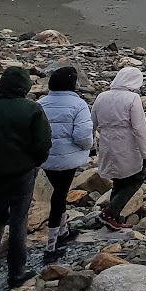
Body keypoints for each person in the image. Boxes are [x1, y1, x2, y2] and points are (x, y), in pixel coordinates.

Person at [0, 66, 52, 285]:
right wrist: (35, 163)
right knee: (19, 221)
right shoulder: (32, 109)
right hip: (21, 173)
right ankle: (16, 271)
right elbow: (43, 144)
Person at [37, 64, 91, 261]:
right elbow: (83, 136)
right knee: (59, 196)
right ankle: (51, 247)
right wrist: (87, 147)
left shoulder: (41, 103)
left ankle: (64, 230)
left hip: (45, 158)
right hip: (68, 159)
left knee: (59, 193)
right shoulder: (79, 105)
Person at [92, 67, 146, 231]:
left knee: (118, 180)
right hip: (127, 142)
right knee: (135, 178)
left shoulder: (102, 97)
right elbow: (139, 128)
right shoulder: (132, 98)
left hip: (106, 141)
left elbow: (91, 122)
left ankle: (114, 217)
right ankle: (109, 212)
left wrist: (92, 145)